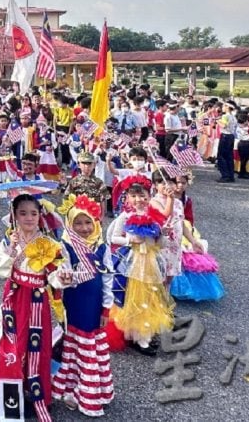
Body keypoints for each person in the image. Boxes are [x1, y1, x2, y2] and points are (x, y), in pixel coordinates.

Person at [0, 194, 69, 421]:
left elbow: (55, 276)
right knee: (15, 343)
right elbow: (1, 271)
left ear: (40, 216)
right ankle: (14, 387)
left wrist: (61, 277)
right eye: (23, 213)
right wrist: (11, 250)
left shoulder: (50, 244)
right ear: (14, 216)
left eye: (33, 213)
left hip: (37, 299)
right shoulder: (9, 241)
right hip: (15, 297)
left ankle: (38, 393)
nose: (29, 218)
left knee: (37, 346)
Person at [57, 194, 115, 417]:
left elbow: (108, 278)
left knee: (92, 347)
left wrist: (106, 308)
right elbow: (60, 272)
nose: (84, 228)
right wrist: (64, 274)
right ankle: (72, 390)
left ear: (96, 222)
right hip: (74, 304)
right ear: (70, 225)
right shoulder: (65, 246)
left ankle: (94, 392)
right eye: (78, 223)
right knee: (73, 348)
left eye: (88, 222)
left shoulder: (102, 246)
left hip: (94, 305)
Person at [107, 183, 174, 354]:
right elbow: (112, 237)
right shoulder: (125, 215)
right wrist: (130, 241)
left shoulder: (155, 216)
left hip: (150, 261)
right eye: (134, 196)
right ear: (128, 198)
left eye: (143, 196)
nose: (139, 200)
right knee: (132, 297)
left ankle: (145, 334)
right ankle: (135, 336)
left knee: (150, 297)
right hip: (133, 260)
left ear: (149, 197)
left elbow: (160, 244)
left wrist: (162, 234)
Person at [64, 151, 110, 216]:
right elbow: (67, 200)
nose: (87, 166)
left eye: (89, 163)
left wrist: (101, 218)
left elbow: (102, 202)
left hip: (94, 216)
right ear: (78, 165)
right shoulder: (74, 182)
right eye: (84, 163)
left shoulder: (99, 182)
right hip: (78, 215)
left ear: (94, 165)